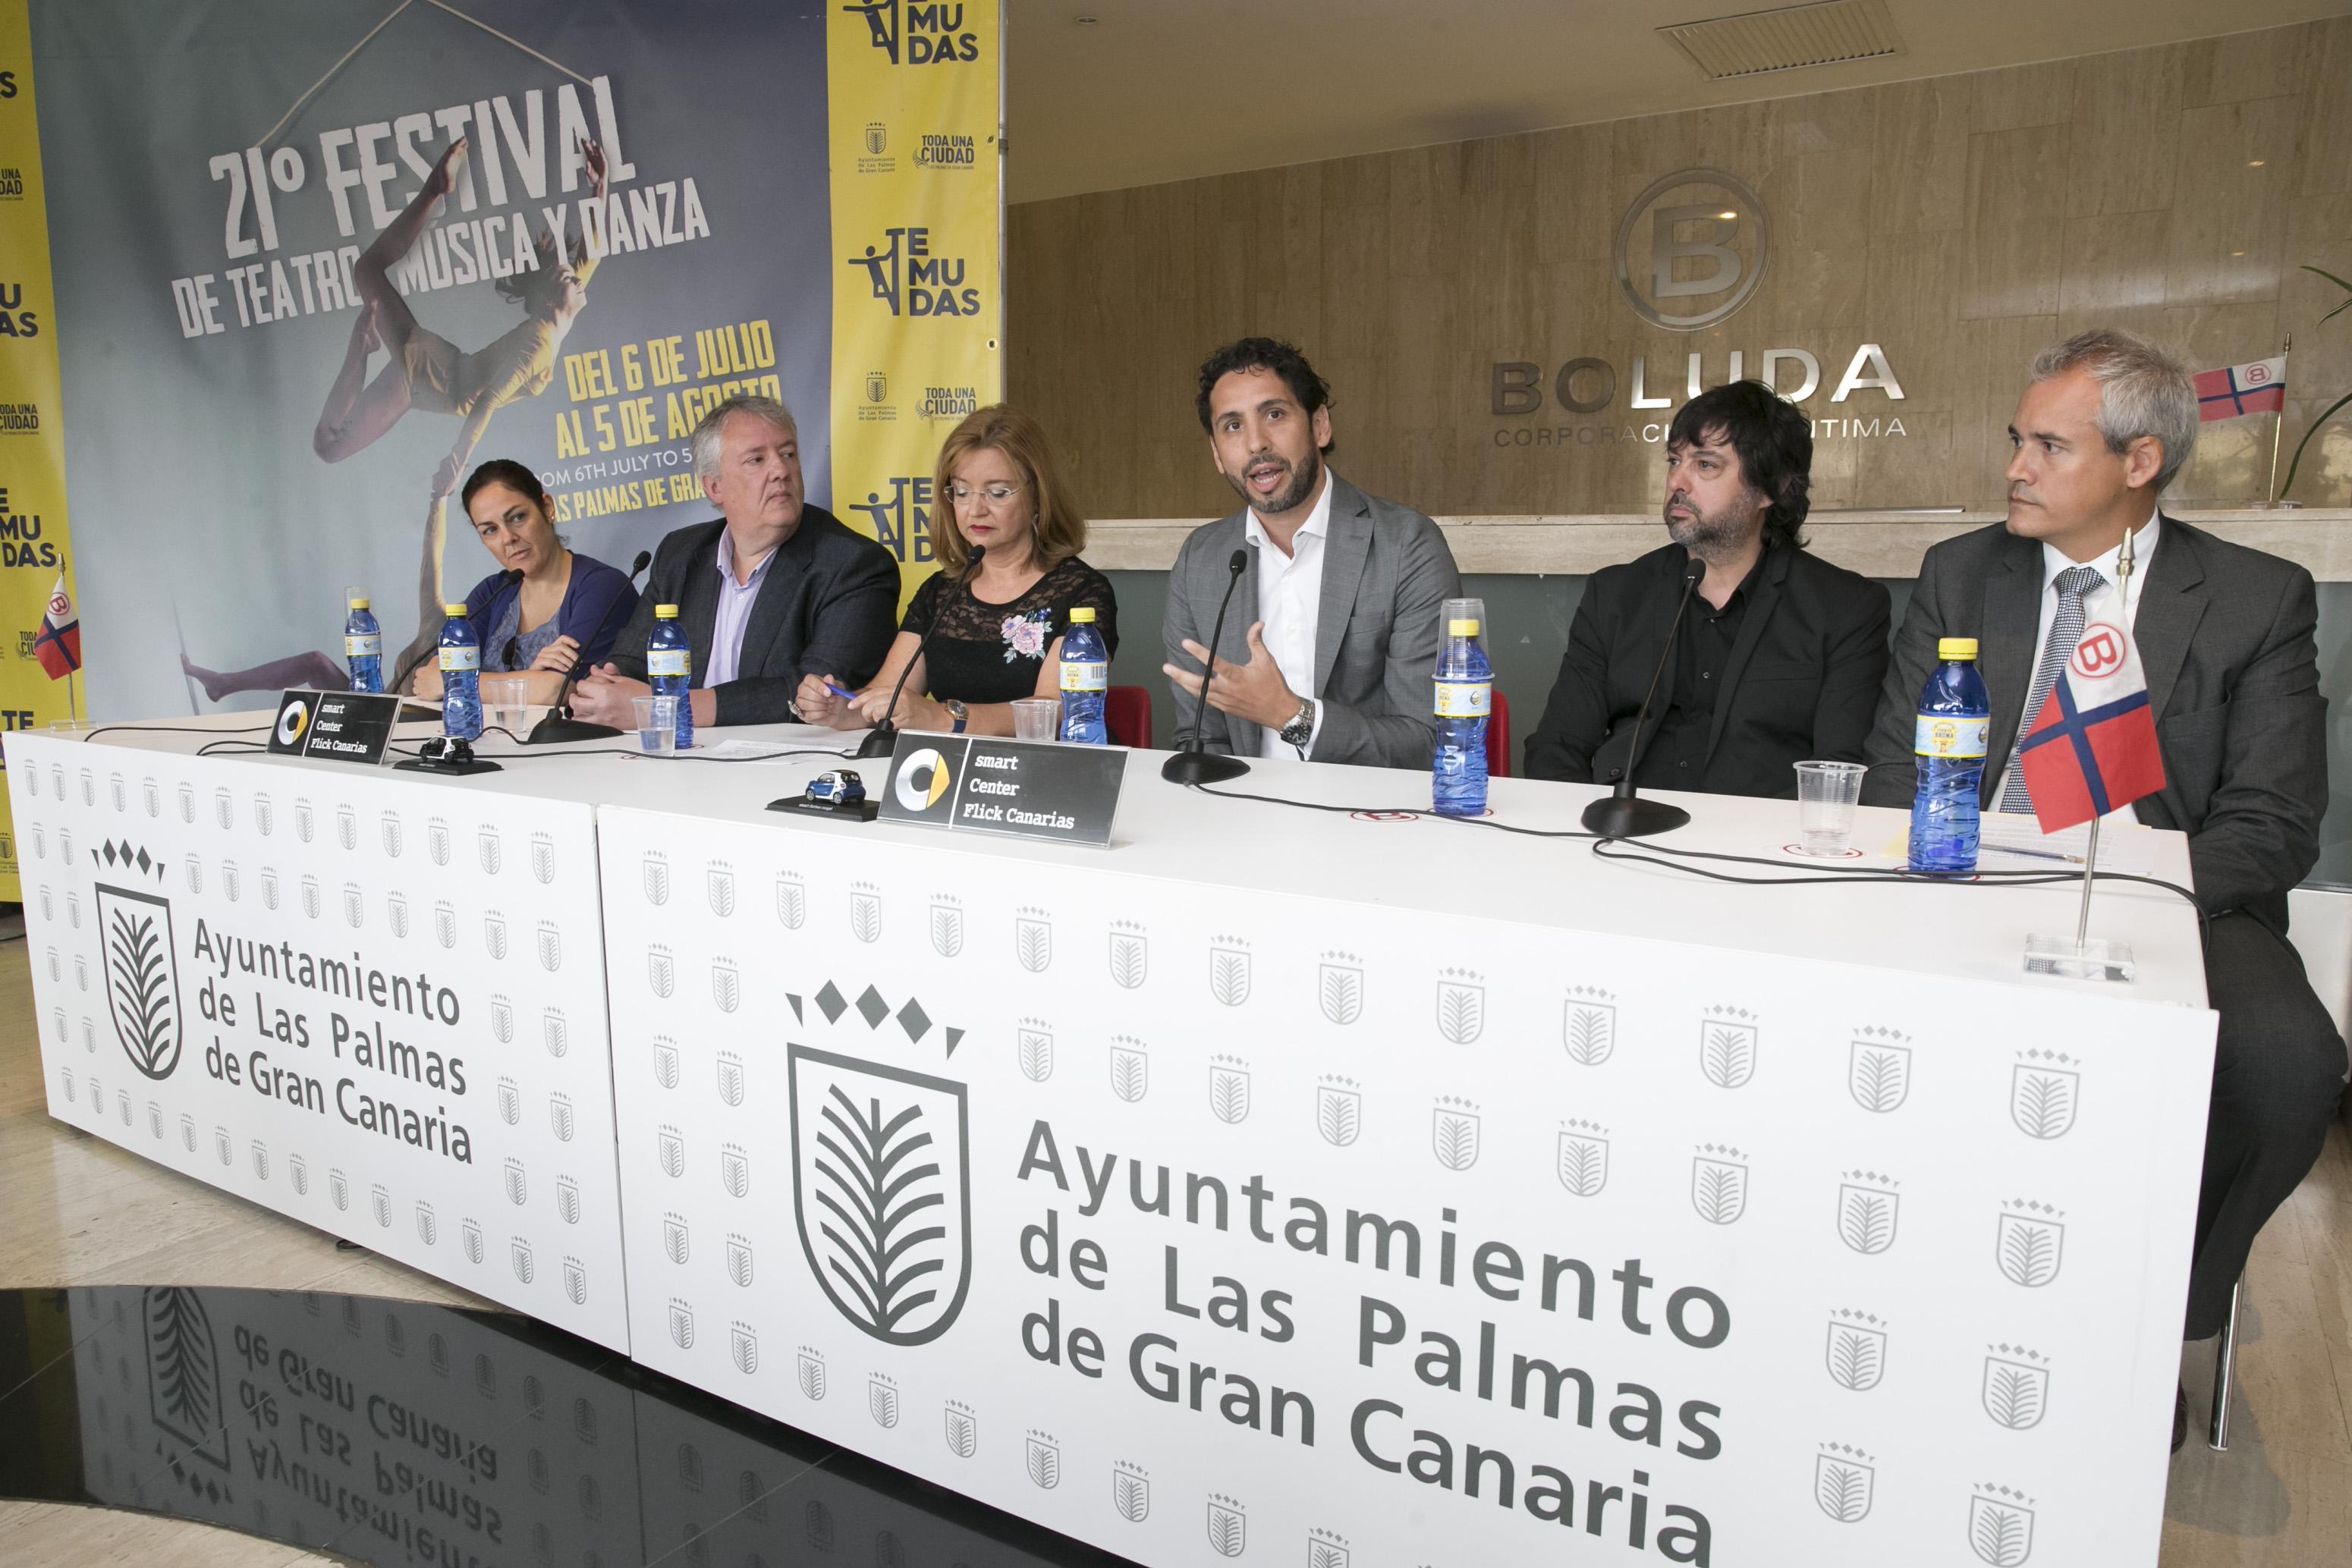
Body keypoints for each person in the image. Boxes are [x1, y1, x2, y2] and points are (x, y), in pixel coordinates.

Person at [1859, 328, 2347, 1449]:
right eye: (2015, 440)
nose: (2016, 467)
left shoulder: (2256, 596)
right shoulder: (1962, 571)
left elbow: (2272, 827)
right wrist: (1956, 863)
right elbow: (1895, 764)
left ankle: (2154, 1312)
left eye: (2048, 445)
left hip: (2173, 893)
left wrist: (2115, 879)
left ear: (2139, 464)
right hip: (1963, 871)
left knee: (2291, 1063)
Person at [1523, 380, 1889, 794]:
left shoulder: (1845, 608)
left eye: (1706, 465)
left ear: (1773, 489)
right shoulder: (1616, 594)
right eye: (1674, 460)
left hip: (1757, 845)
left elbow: (1839, 771)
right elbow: (1558, 746)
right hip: (1620, 829)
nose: (1678, 481)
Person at [1161, 337, 1460, 767]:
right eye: (1232, 426)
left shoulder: (1406, 545)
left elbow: (1430, 740)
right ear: (1217, 455)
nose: (1256, 443)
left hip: (1372, 818)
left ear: (1320, 425)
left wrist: (1290, 715)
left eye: (1274, 415)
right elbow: (1200, 737)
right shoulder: (1202, 559)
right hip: (1243, 812)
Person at [570, 394, 898, 729]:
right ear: (714, 487)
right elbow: (635, 657)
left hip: (788, 764)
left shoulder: (854, 564)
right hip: (687, 757)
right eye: (756, 459)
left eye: (788, 454)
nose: (781, 470)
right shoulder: (681, 552)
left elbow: (815, 693)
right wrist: (611, 683)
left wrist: (667, 710)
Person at [795, 405, 1115, 737]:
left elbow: (1055, 708)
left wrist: (943, 717)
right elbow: (886, 694)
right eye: (962, 491)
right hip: (950, 771)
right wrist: (839, 707)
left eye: (998, 492)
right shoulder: (941, 591)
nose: (976, 508)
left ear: (1038, 495)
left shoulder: (1082, 591)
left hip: (1049, 770)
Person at [407, 460, 639, 706]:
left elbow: (556, 690)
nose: (508, 538)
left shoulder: (602, 587)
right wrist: (528, 679)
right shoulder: (491, 592)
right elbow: (431, 674)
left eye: (517, 517)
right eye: (490, 530)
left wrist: (456, 683)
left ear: (547, 507)